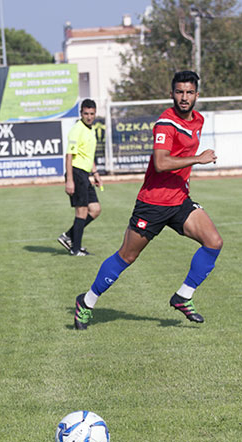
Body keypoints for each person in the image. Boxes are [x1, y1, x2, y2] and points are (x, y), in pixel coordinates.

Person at [74, 71, 221, 330]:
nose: (184, 97)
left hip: (179, 201)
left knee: (214, 242)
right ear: (172, 93)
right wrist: (198, 158)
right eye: (179, 92)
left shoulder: (198, 120)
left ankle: (183, 296)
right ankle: (87, 302)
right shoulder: (165, 123)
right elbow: (161, 162)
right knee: (126, 257)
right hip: (152, 204)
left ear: (197, 94)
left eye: (189, 92)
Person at [58, 99, 102, 256]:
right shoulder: (77, 129)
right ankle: (76, 249)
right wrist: (69, 180)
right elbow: (69, 156)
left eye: (92, 114)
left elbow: (89, 155)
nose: (89, 117)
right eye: (86, 114)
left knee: (95, 209)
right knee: (81, 212)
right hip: (76, 173)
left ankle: (69, 236)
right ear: (81, 113)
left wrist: (95, 174)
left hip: (85, 174)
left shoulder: (90, 129)